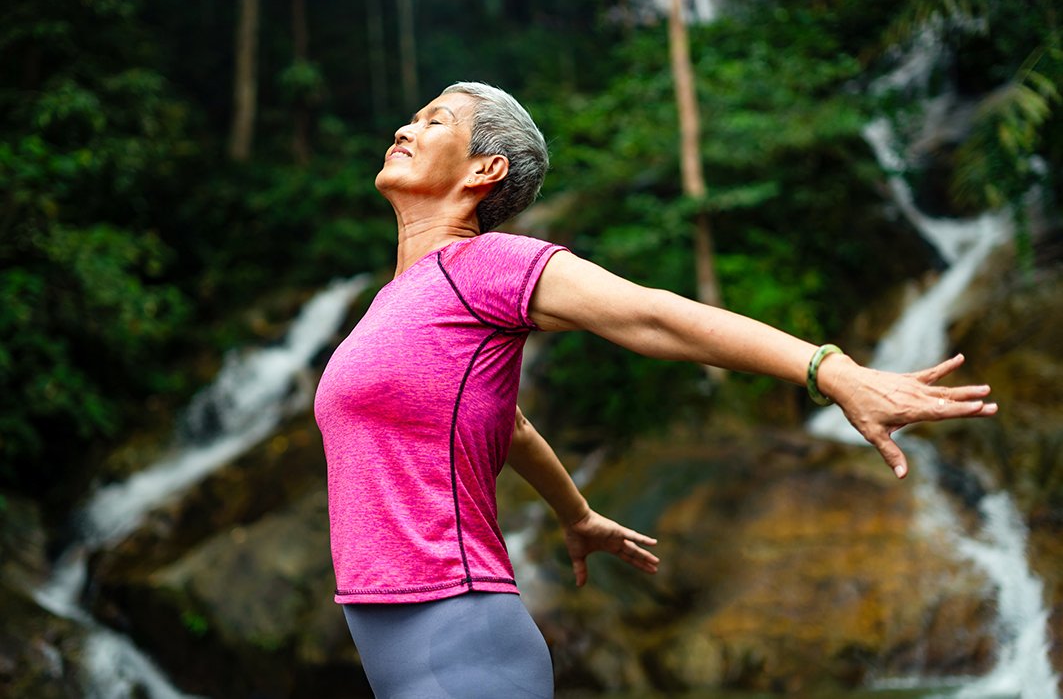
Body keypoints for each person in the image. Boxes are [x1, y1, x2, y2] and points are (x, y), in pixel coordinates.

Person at [313, 81, 997, 699]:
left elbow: (649, 314)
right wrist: (575, 514)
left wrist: (831, 371)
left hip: (459, 634)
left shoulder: (488, 263)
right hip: (401, 636)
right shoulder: (397, 300)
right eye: (410, 117)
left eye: (433, 121)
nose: (405, 129)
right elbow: (506, 423)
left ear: (483, 171)